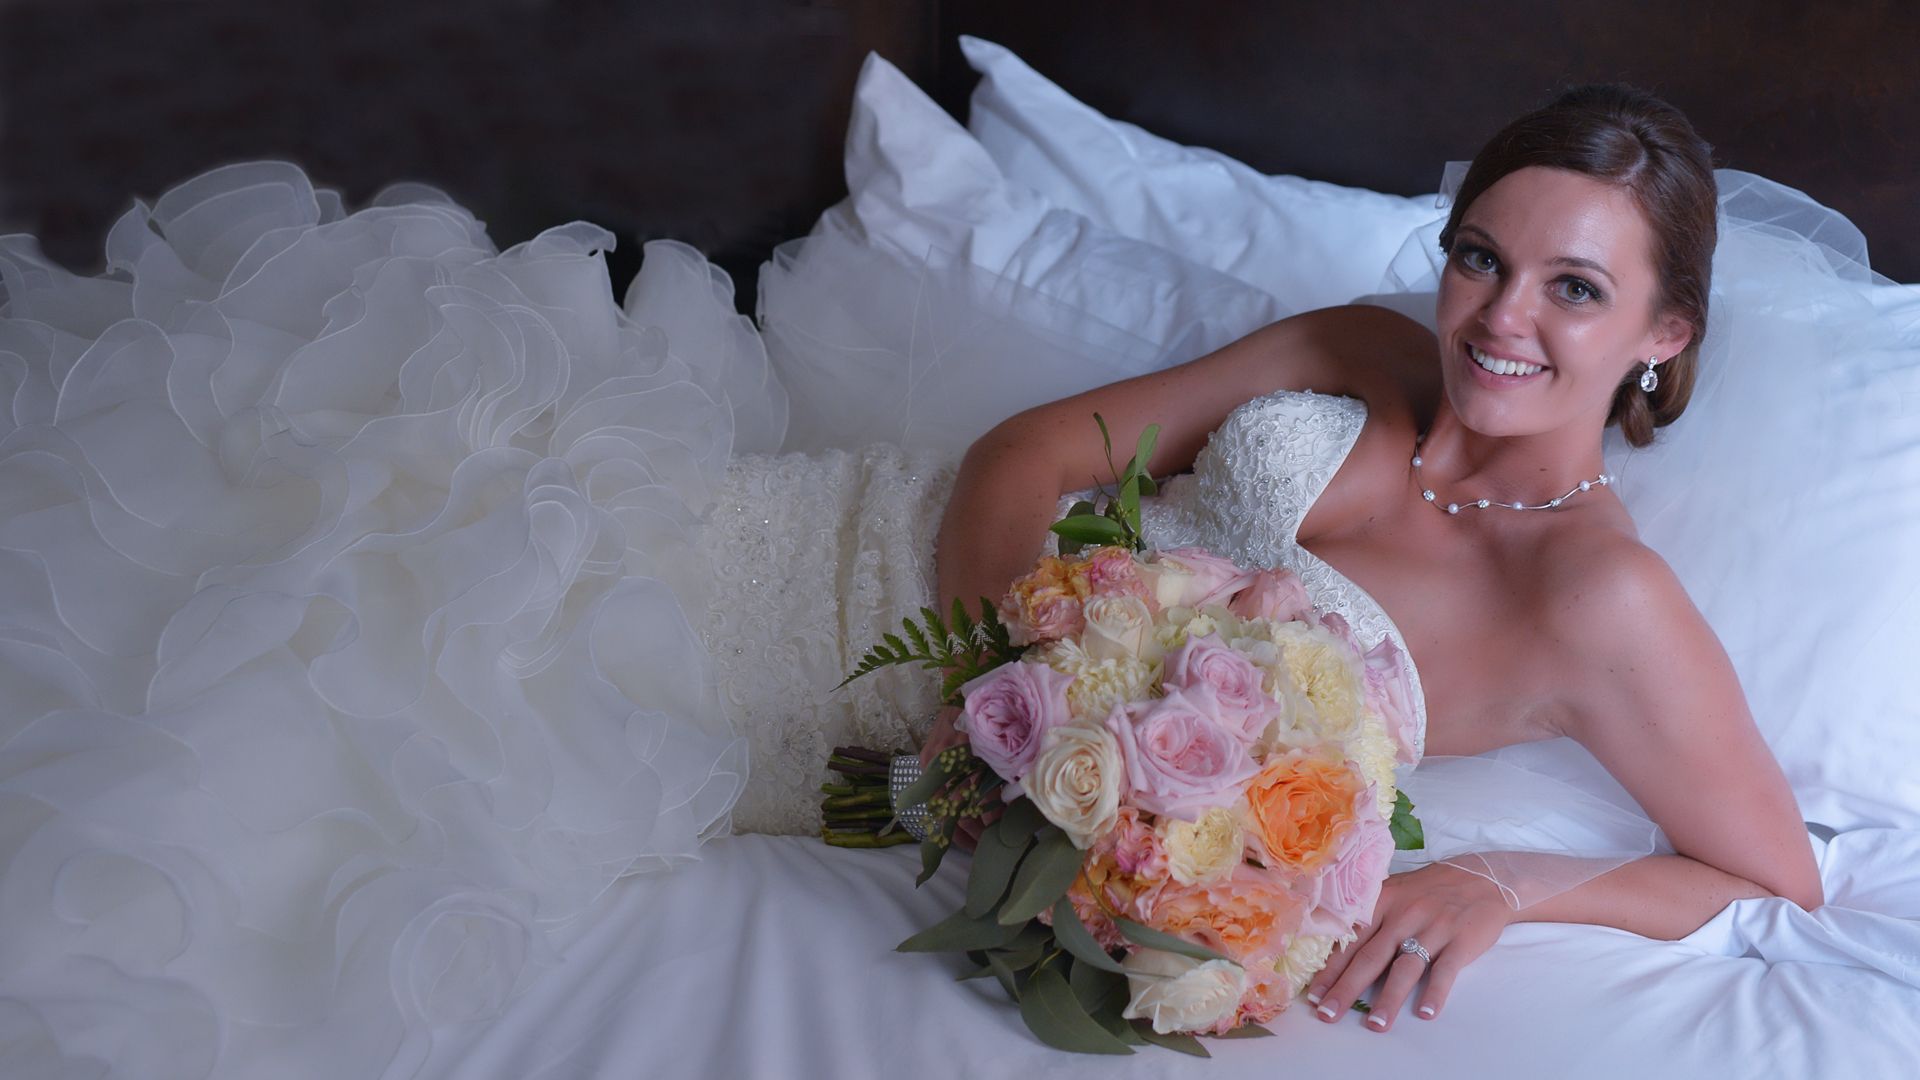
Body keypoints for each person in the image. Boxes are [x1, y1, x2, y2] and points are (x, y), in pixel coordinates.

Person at [915, 83, 1824, 1034]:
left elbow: (1776, 879)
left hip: (1029, 788)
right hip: (938, 597)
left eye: (1575, 288)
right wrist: (983, 693)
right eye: (1482, 259)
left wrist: (1498, 882)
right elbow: (1024, 455)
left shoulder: (1600, 597)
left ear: (1664, 334)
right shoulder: (1356, 349)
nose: (1502, 319)